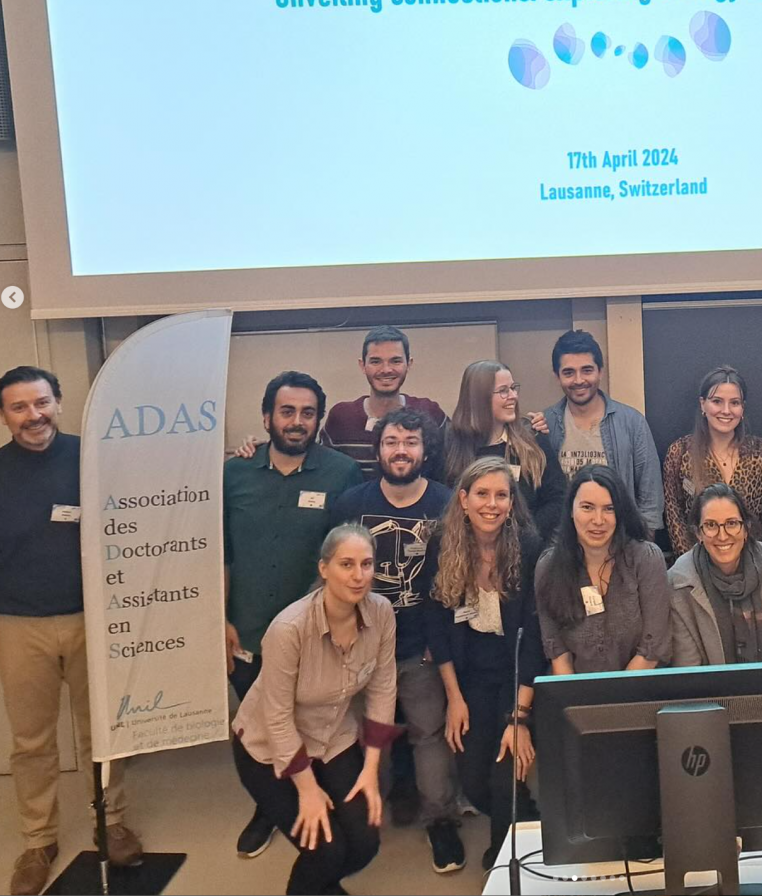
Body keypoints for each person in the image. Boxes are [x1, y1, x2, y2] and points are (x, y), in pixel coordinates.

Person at [0, 366, 143, 896]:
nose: (33, 415)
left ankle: (111, 822)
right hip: (17, 625)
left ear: (58, 402)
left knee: (102, 731)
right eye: (19, 407)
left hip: (92, 620)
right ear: (3, 415)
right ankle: (38, 841)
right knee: (31, 741)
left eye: (41, 402)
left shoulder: (94, 459)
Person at [224, 371, 363, 859]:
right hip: (247, 631)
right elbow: (221, 553)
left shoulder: (342, 473)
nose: (297, 421)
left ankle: (316, 799)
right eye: (287, 411)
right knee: (263, 729)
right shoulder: (235, 473)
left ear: (319, 420)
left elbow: (349, 556)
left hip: (316, 636)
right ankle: (271, 807)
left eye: (308, 413)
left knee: (313, 721)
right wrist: (221, 619)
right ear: (267, 417)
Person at [325, 408, 465, 873]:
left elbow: (456, 580)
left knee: (429, 736)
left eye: (410, 442)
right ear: (378, 449)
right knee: (370, 737)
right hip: (361, 649)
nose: (400, 450)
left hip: (422, 648)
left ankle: (440, 821)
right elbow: (331, 577)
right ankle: (368, 814)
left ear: (425, 450)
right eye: (391, 442)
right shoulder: (350, 505)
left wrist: (439, 642)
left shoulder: (447, 504)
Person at [230, 523, 399, 896]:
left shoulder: (382, 612)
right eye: (346, 564)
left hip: (332, 737)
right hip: (266, 748)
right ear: (324, 568)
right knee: (325, 849)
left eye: (367, 564)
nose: (358, 576)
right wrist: (306, 789)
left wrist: (371, 770)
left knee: (365, 842)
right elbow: (276, 718)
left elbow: (383, 688)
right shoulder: (289, 629)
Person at [421, 458, 545, 870]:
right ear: (463, 499)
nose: (492, 504)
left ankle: (506, 855)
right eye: (482, 494)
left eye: (501, 495)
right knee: (474, 783)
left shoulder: (529, 548)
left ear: (511, 503)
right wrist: (454, 698)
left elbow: (535, 639)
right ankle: (531, 823)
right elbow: (436, 624)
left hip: (517, 675)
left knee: (503, 776)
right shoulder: (442, 544)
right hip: (470, 675)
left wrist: (519, 717)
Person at [534, 464, 671, 673]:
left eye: (609, 509)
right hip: (573, 689)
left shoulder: (646, 559)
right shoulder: (548, 566)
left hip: (639, 687)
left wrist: (612, 694)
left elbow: (652, 649)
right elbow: (558, 653)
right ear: (570, 510)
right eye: (587, 507)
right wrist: (576, 693)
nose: (598, 520)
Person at [533, 329, 664, 534]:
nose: (579, 380)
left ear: (600, 371)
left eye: (587, 370)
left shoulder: (632, 423)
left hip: (621, 541)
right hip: (562, 544)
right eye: (569, 372)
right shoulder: (545, 425)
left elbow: (651, 499)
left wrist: (643, 544)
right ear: (557, 376)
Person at [662, 365, 762, 557]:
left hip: (751, 562)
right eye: (717, 401)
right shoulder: (680, 452)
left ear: (743, 408)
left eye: (734, 403)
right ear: (703, 404)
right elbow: (676, 520)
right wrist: (695, 564)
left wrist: (747, 561)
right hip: (696, 564)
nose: (726, 410)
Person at [443, 360, 567, 541]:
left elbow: (558, 498)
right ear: (479, 398)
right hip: (468, 548)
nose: (513, 396)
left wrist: (525, 538)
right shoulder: (453, 444)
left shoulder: (533, 439)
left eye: (513, 388)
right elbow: (445, 503)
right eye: (503, 391)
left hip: (527, 547)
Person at [668, 483, 762, 666]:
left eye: (732, 523)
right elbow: (688, 668)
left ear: (746, 528)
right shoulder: (679, 583)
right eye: (710, 525)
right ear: (698, 533)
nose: (722, 536)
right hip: (708, 683)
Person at [322, 326, 448, 480]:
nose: (386, 369)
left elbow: (447, 472)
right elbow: (326, 472)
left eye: (395, 361)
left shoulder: (430, 413)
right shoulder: (341, 418)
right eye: (376, 361)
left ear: (409, 364)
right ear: (362, 365)